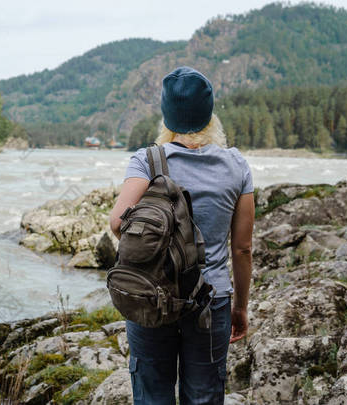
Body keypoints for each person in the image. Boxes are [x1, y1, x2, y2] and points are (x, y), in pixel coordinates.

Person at [109, 66, 254, 405]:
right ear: (209, 113)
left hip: (152, 296)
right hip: (211, 300)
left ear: (166, 115)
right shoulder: (236, 165)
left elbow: (118, 223)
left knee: (153, 394)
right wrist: (241, 306)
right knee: (204, 396)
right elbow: (243, 248)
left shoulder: (148, 161)